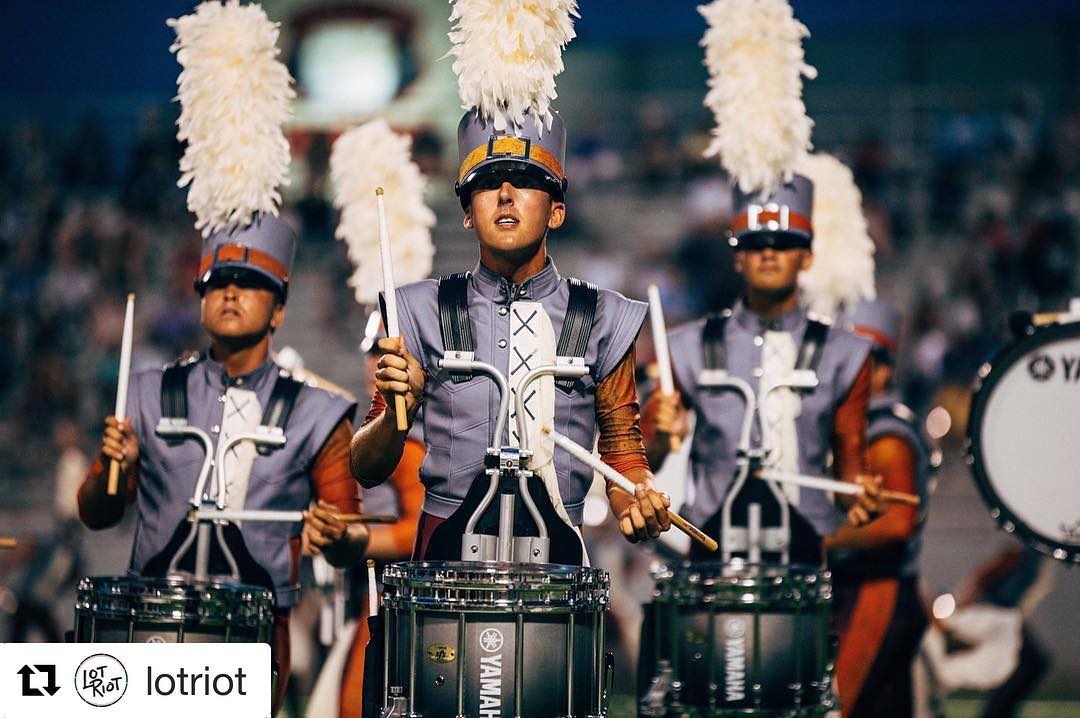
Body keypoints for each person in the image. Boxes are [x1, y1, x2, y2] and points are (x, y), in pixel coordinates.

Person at [349, 112, 672, 560]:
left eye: (524, 181)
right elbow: (366, 469)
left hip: (558, 565)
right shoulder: (418, 310)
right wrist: (395, 415)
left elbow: (623, 456)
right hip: (443, 564)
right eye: (487, 184)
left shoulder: (604, 316)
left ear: (556, 211)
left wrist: (638, 499)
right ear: (468, 213)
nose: (504, 195)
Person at [641, 174, 882, 564]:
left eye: (784, 243)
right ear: (738, 257)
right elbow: (644, 461)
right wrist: (658, 433)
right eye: (755, 244)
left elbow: (850, 472)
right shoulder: (687, 346)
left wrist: (861, 496)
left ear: (807, 256)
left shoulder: (844, 353)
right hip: (711, 552)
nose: (769, 253)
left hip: (805, 559)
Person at [828, 300, 932, 717]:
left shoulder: (886, 435)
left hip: (876, 592)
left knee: (837, 707)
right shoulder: (859, 427)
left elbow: (897, 523)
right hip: (871, 591)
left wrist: (821, 539)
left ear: (884, 369)